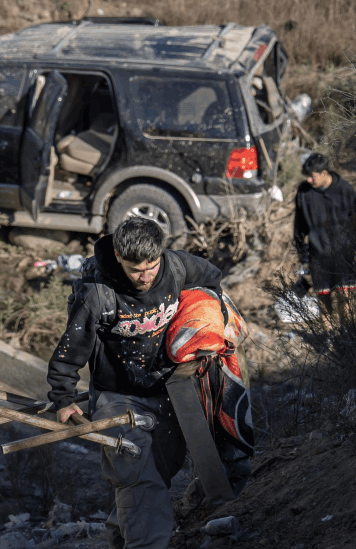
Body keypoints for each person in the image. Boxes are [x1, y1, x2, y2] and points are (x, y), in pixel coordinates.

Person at [46, 217, 227, 549]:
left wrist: (204, 320)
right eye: (135, 270)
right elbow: (70, 350)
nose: (145, 278)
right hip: (116, 397)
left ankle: (119, 534)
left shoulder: (175, 266)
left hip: (168, 390)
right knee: (138, 476)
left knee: (161, 469)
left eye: (151, 267)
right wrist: (63, 397)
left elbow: (213, 280)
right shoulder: (97, 294)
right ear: (118, 256)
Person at [293, 153, 356, 321]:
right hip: (318, 254)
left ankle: (347, 335)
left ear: (324, 173)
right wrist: (300, 249)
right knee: (323, 300)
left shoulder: (345, 190)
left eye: (312, 176)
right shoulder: (304, 192)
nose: (309, 180)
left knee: (345, 300)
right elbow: (299, 223)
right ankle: (329, 336)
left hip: (343, 253)